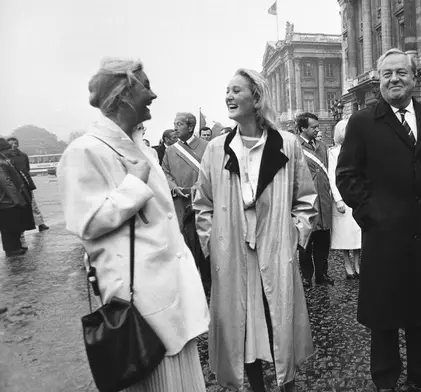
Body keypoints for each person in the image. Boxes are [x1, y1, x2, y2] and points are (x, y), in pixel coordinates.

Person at [57, 58, 210, 392]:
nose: (153, 94)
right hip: (141, 308)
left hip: (171, 296)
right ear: (123, 93)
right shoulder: (83, 151)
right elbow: (86, 222)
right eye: (145, 85)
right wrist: (134, 187)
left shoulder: (141, 149)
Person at [336, 48, 421, 392]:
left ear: (414, 78)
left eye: (401, 73)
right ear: (380, 80)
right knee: (385, 315)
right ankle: (386, 381)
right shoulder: (363, 121)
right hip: (385, 238)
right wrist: (372, 216)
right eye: (387, 74)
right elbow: (347, 176)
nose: (394, 79)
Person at [193, 68, 317, 392]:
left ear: (256, 97)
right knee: (242, 329)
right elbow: (202, 204)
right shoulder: (216, 149)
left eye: (236, 90)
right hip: (233, 255)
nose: (228, 96)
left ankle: (287, 386)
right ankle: (258, 388)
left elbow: (305, 199)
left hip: (276, 253)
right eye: (227, 90)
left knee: (279, 322)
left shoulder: (287, 145)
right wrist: (213, 244)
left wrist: (294, 236)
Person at [162, 112, 210, 283]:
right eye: (174, 123)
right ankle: (190, 283)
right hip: (180, 204)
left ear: (191, 127)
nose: (175, 127)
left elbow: (211, 172)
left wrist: (198, 188)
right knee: (185, 244)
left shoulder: (207, 147)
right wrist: (174, 188)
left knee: (205, 243)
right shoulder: (170, 151)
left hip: (203, 203)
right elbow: (165, 173)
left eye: (179, 124)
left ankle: (207, 283)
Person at [297, 112, 334, 288]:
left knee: (323, 241)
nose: (317, 130)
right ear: (303, 128)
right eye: (314, 127)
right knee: (305, 243)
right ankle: (306, 275)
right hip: (306, 203)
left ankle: (322, 274)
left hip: (324, 200)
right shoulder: (294, 147)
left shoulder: (322, 147)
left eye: (317, 126)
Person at [328, 119, 361, 279]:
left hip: (357, 196)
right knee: (345, 235)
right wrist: (338, 199)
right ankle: (347, 263)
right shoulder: (333, 153)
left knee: (357, 234)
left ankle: (357, 262)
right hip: (343, 199)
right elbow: (332, 177)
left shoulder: (358, 149)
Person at [0, 137, 35, 257]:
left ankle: (15, 246)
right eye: (8, 148)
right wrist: (17, 199)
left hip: (8, 199)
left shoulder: (5, 160)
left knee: (14, 224)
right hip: (5, 201)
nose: (10, 149)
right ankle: (11, 249)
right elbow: (7, 183)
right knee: (8, 227)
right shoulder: (2, 162)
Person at [6, 137, 49, 233]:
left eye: (15, 143)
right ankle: (21, 226)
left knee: (33, 204)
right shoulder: (5, 158)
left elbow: (27, 169)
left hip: (26, 183)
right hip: (14, 186)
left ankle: (40, 223)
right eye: (11, 144)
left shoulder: (23, 155)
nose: (14, 145)